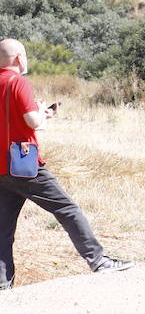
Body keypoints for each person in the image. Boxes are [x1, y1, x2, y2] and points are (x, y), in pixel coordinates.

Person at [0, 38, 131, 289]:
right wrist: (43, 113)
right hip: (23, 162)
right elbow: (32, 122)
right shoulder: (19, 82)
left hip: (0, 166)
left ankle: (3, 285)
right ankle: (98, 260)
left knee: (2, 230)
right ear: (18, 58)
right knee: (67, 210)